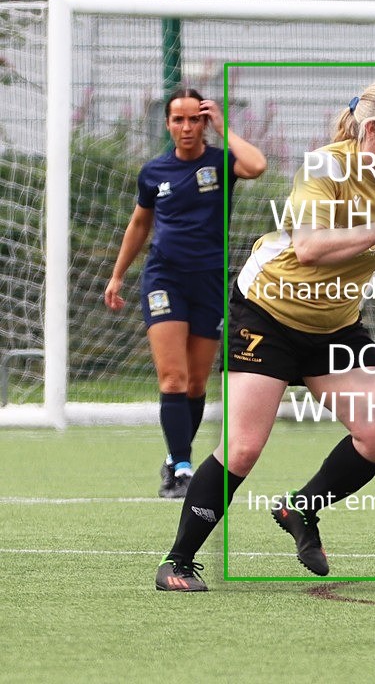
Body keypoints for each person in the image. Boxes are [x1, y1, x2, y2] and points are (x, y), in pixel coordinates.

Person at [155, 78, 375, 591]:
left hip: (334, 323)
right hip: (267, 314)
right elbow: (310, 248)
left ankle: (299, 509)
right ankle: (177, 562)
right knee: (243, 448)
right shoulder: (325, 167)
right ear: (373, 129)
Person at [105, 89, 267, 499]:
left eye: (195, 119)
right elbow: (140, 225)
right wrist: (117, 275)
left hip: (209, 283)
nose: (187, 127)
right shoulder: (154, 172)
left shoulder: (222, 162)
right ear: (167, 125)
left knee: (196, 384)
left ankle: (176, 456)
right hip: (164, 280)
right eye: (178, 119)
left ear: (204, 122)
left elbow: (258, 165)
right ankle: (180, 468)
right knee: (173, 378)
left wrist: (225, 127)